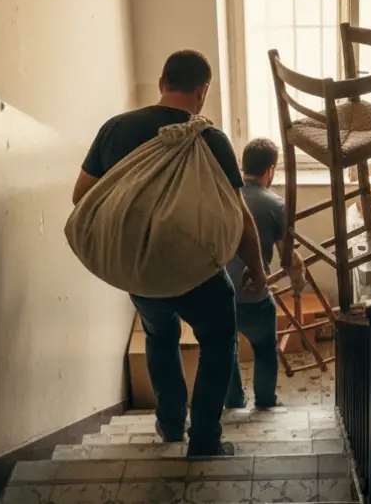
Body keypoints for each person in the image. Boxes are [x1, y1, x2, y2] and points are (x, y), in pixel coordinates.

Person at [71, 49, 268, 457]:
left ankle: (171, 426)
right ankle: (206, 441)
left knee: (160, 338)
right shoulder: (208, 138)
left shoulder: (115, 129)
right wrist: (257, 267)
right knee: (218, 342)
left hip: (142, 271)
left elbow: (82, 198)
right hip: (198, 271)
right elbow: (239, 213)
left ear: (162, 82)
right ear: (203, 91)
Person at [224, 138, 305, 410]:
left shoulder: (223, 197)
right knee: (265, 351)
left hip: (219, 294)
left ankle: (234, 403)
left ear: (242, 165)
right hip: (254, 295)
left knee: (225, 351)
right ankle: (266, 403)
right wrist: (298, 284)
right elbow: (288, 258)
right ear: (270, 169)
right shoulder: (275, 204)